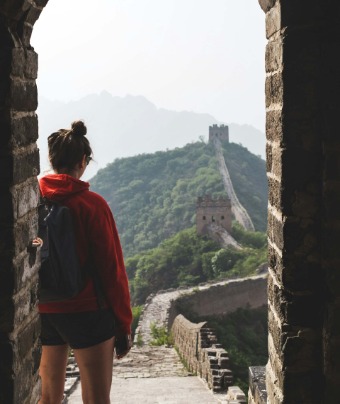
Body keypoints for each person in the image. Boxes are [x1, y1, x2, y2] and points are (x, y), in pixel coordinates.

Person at [37, 120, 132, 404]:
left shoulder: (33, 200)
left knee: (48, 396)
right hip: (88, 311)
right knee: (96, 398)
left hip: (44, 309)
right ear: (82, 160)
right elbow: (111, 271)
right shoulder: (92, 205)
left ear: (52, 160)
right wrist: (123, 323)